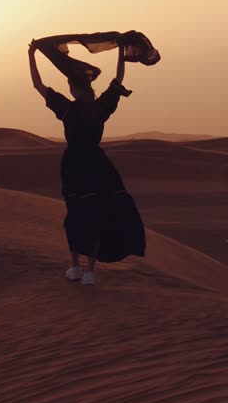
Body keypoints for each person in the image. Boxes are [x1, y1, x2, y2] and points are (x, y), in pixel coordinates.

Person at [29, 38, 146, 285]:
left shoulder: (68, 109)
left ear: (72, 86)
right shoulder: (99, 108)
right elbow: (118, 80)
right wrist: (121, 52)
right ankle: (90, 271)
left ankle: (75, 267)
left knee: (76, 214)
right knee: (98, 214)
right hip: (98, 165)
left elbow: (37, 85)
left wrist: (32, 54)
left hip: (74, 165)